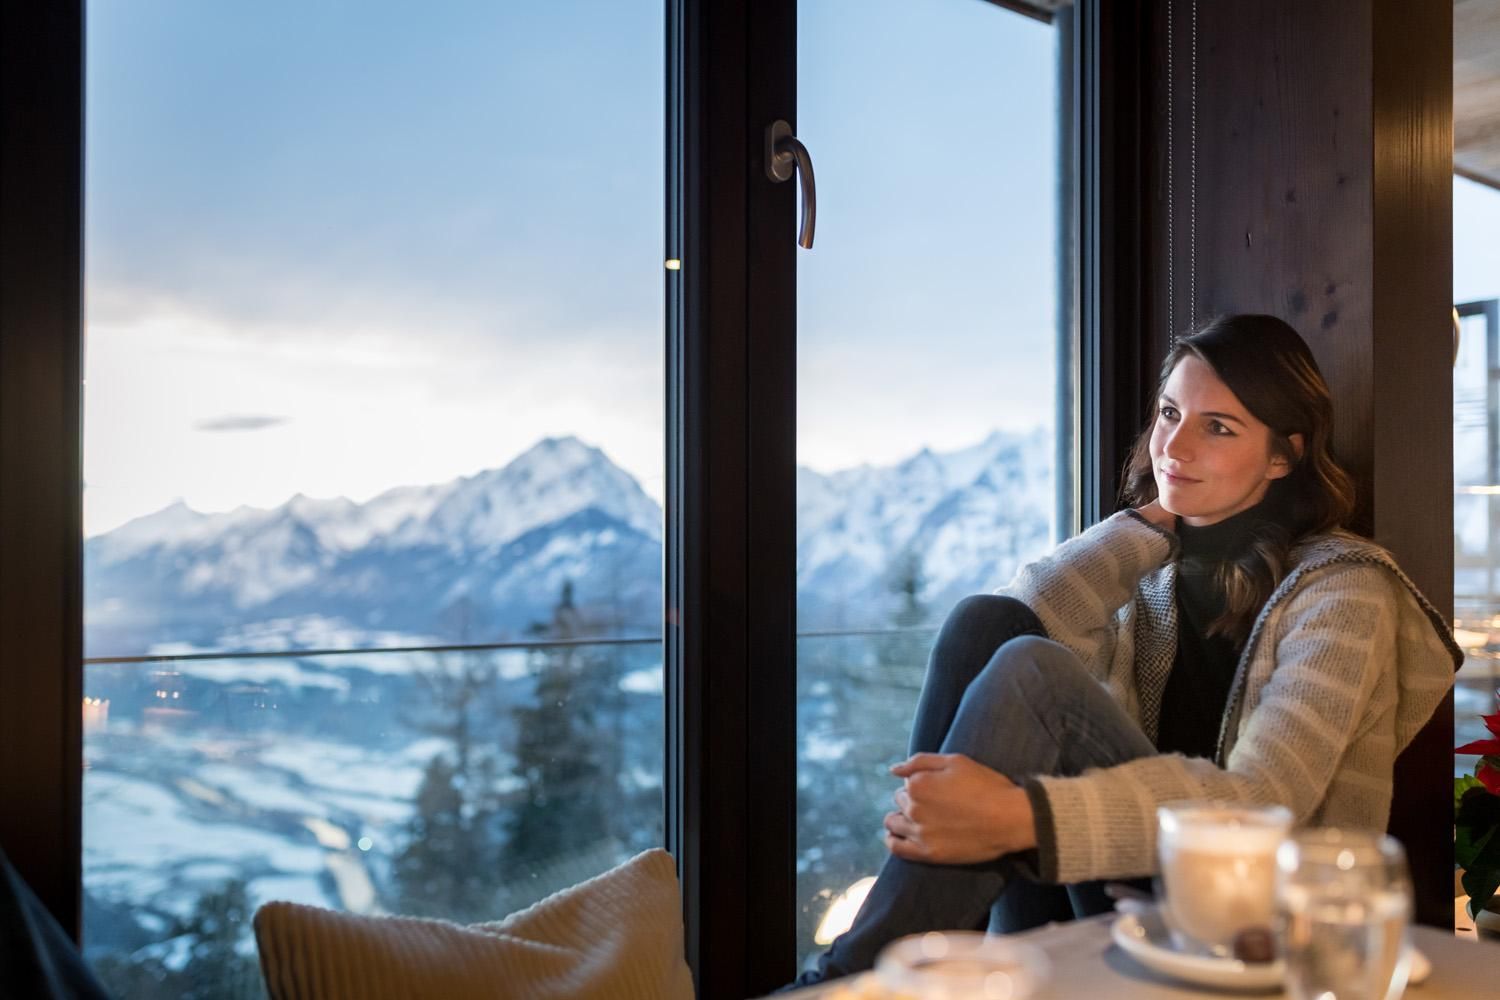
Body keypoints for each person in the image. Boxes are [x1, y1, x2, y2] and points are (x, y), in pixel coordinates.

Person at [789, 313, 1460, 986]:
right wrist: (1140, 529)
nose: (1175, 446)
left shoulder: (1343, 591)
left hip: (1256, 908)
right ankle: (891, 968)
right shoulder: (1157, 576)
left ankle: (857, 979)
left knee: (1035, 674)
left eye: (1218, 427)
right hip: (1121, 875)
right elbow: (1013, 621)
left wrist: (1019, 817)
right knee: (982, 623)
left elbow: (1266, 801)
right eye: (1170, 413)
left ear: (1284, 455)